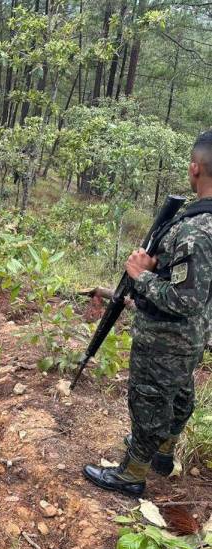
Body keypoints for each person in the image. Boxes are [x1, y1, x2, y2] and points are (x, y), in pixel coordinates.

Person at [84, 130, 212, 497]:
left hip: (168, 336)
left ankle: (131, 474)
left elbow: (183, 298)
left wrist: (141, 277)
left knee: (149, 401)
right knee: (180, 395)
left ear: (194, 169)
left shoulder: (196, 230)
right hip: (195, 335)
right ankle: (162, 453)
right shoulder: (197, 222)